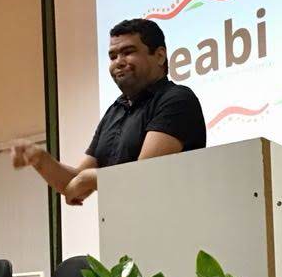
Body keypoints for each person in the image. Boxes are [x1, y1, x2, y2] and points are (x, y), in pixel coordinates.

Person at [13, 18, 206, 204]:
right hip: (120, 223)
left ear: (159, 56)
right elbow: (74, 184)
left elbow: (144, 176)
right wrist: (40, 159)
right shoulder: (115, 110)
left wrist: (89, 179)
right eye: (113, 56)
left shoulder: (177, 100)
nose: (118, 62)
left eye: (128, 52)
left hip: (169, 223)